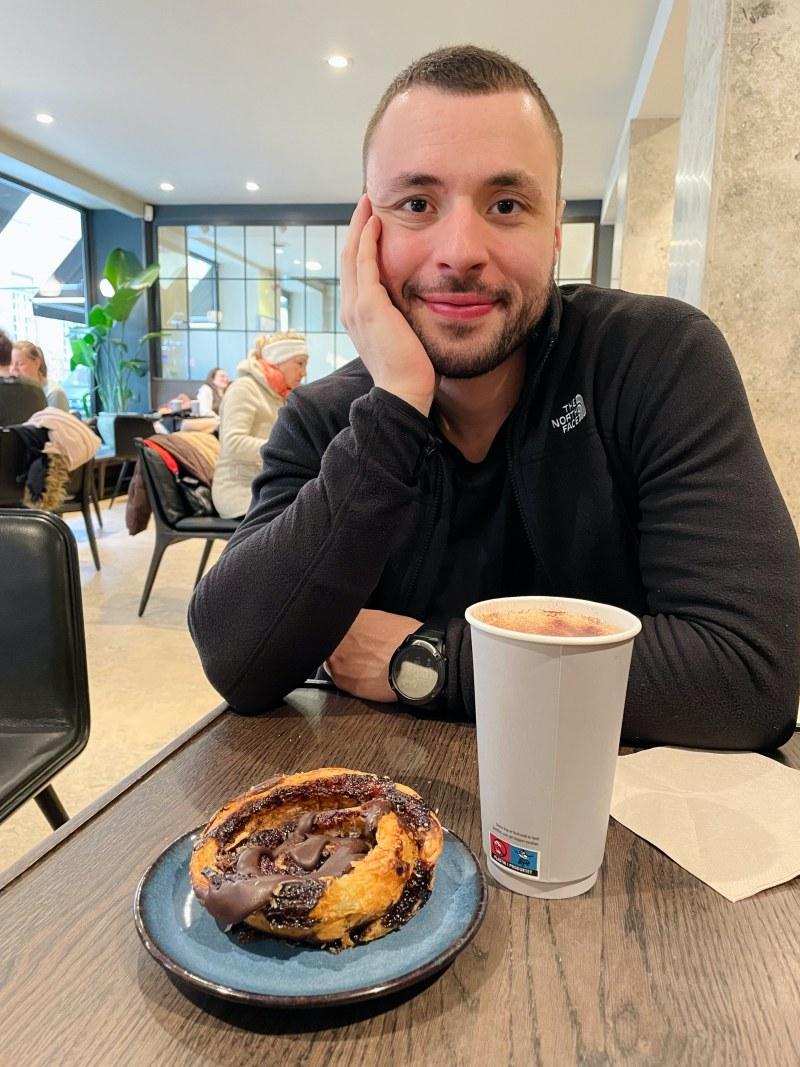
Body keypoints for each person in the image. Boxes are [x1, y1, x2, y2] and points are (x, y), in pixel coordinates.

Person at [189, 45, 799, 751]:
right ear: (367, 233)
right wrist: (395, 407)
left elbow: (751, 675)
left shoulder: (655, 359)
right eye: (417, 204)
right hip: (382, 827)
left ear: (555, 230)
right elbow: (240, 659)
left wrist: (428, 662)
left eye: (506, 205)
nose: (460, 250)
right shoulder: (329, 418)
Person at [211, 332, 308, 519]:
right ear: (279, 361)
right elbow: (232, 442)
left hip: (266, 486)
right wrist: (283, 449)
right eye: (300, 363)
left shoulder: (280, 395)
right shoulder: (244, 388)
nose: (304, 372)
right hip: (238, 491)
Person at [11, 340, 70, 411]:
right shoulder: (16, 391)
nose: (13, 369)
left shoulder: (54, 394)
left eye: (20, 364)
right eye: (11, 364)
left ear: (36, 363)